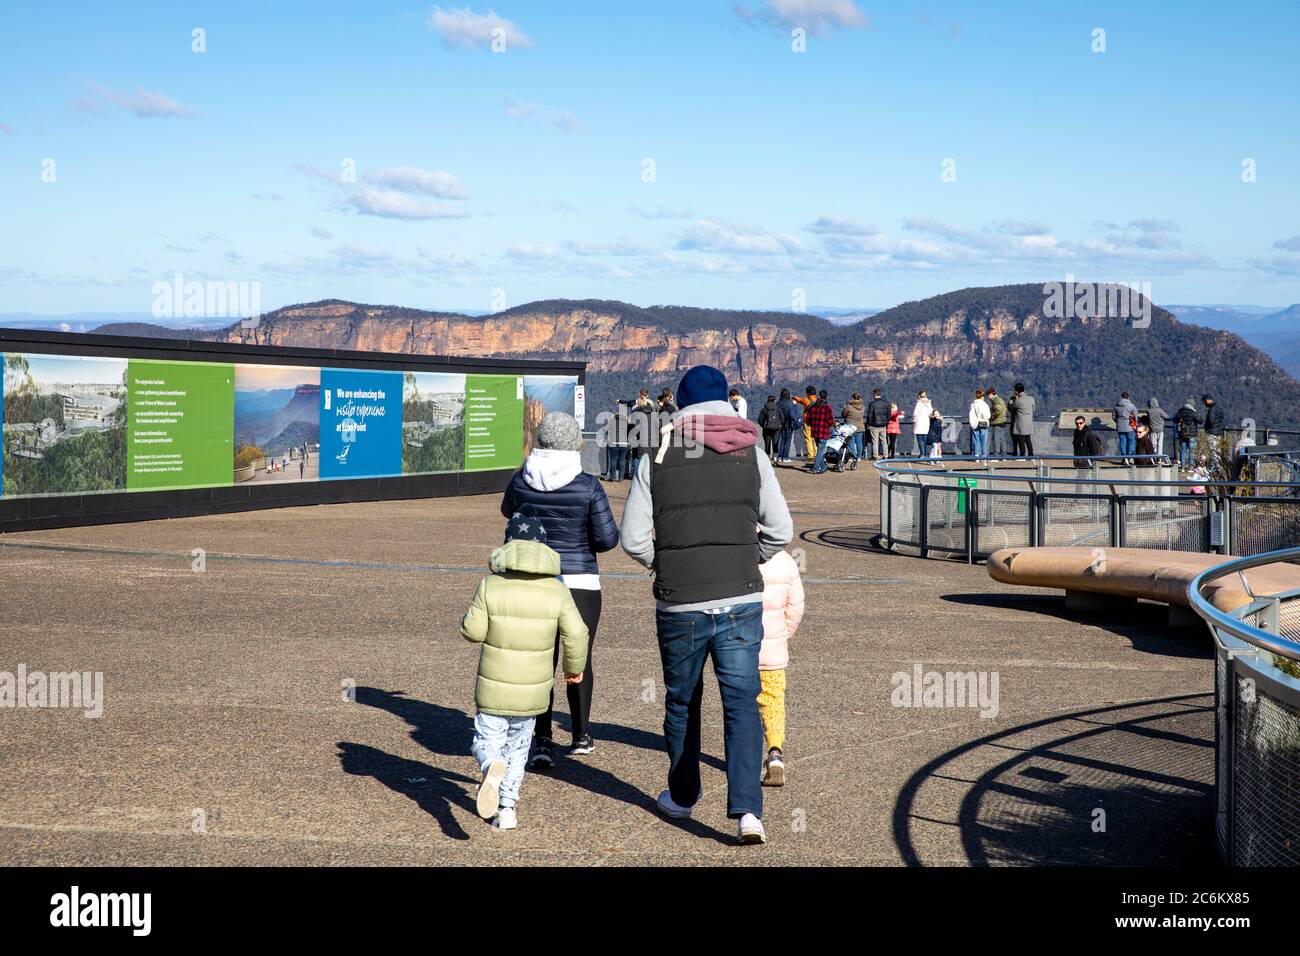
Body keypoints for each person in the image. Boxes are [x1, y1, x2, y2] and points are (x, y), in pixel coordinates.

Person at [619, 364, 794, 846]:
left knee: (681, 701)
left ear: (681, 404)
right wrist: (746, 558)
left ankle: (682, 795)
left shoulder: (656, 455)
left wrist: (666, 562)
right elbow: (781, 532)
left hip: (680, 603)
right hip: (740, 598)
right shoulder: (753, 454)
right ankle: (747, 813)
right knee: (740, 701)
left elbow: (632, 539)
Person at [500, 412, 619, 767]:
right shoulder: (588, 485)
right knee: (578, 656)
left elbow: (508, 511)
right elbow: (607, 539)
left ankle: (542, 740)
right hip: (580, 581)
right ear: (572, 445)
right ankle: (581, 735)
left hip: (533, 578)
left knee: (539, 660)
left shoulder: (521, 479)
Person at [461, 509, 589, 831]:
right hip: (534, 691)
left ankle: (490, 766)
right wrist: (573, 671)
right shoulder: (557, 591)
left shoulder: (490, 585)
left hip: (493, 689)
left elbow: (473, 631)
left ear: (507, 545)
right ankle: (507, 810)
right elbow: (577, 633)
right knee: (519, 748)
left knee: (486, 742)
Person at [757, 547, 804, 788]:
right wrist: (783, 636)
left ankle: (744, 755)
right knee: (773, 701)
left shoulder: (737, 553)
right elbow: (795, 608)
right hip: (773, 649)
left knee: (741, 703)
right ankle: (775, 753)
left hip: (739, 647)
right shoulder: (786, 561)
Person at [806, 390, 836, 474]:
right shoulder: (827, 407)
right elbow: (830, 422)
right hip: (823, 431)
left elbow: (809, 420)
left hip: (815, 432)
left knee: (820, 450)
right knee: (820, 450)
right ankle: (815, 468)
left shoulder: (813, 407)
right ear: (826, 397)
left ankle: (823, 467)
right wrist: (833, 424)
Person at [604, 399, 630, 481]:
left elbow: (606, 430)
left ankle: (612, 478)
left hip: (613, 442)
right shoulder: (626, 421)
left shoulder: (612, 420)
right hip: (624, 443)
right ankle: (621, 478)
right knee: (622, 460)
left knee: (613, 460)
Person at [1009, 383, 1035, 458]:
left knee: (1021, 439)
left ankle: (1022, 455)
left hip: (1020, 422)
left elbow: (1011, 408)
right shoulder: (1031, 399)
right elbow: (1033, 408)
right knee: (1028, 439)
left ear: (1016, 391)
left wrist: (1011, 400)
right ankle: (1031, 454)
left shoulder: (1018, 400)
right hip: (1029, 422)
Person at [865, 388, 890, 460]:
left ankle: (875, 456)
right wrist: (886, 422)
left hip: (874, 425)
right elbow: (889, 415)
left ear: (874, 395)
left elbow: (869, 415)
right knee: (884, 440)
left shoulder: (872, 404)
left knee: (875, 441)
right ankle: (886, 455)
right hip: (883, 425)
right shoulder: (886, 404)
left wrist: (868, 424)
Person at [1113, 392, 1138, 464]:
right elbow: (1136, 417)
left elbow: (1113, 417)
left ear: (1121, 397)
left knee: (1122, 442)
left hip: (1120, 427)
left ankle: (1124, 458)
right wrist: (1135, 424)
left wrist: (1118, 422)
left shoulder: (1116, 406)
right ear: (1128, 397)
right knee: (1131, 442)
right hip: (1130, 426)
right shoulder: (1131, 406)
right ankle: (1130, 458)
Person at [794, 386, 817, 461]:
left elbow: (799, 400)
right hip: (817, 423)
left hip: (808, 422)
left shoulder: (806, 400)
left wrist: (794, 397)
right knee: (815, 439)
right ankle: (816, 455)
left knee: (808, 439)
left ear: (807, 393)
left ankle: (811, 455)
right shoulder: (818, 400)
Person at [841, 392, 866, 463]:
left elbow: (843, 414)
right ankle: (859, 457)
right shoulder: (863, 406)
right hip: (860, 426)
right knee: (859, 442)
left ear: (852, 398)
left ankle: (853, 456)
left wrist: (844, 408)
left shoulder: (849, 406)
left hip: (850, 427)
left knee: (851, 442)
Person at [1175, 399, 1199, 469]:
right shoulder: (1193, 412)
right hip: (1192, 434)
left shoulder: (1180, 411)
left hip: (1183, 433)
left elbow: (1175, 420)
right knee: (1192, 451)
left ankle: (1182, 467)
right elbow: (1200, 420)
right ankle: (1190, 467)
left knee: (1183, 449)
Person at [758, 394, 783, 461]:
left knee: (767, 445)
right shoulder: (778, 409)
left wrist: (764, 426)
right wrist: (779, 425)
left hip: (766, 430)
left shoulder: (764, 409)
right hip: (776, 430)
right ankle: (775, 459)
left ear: (767, 401)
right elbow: (782, 419)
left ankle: (767, 460)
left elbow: (759, 421)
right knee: (775, 444)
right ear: (774, 400)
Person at [968, 388, 991, 459]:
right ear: (982, 397)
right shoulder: (985, 405)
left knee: (976, 441)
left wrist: (972, 424)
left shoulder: (973, 405)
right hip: (984, 424)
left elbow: (971, 415)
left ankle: (976, 457)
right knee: (984, 442)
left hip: (975, 424)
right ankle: (984, 457)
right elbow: (988, 416)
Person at [777, 388, 799, 464]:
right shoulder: (790, 404)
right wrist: (795, 404)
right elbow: (794, 414)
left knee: (782, 441)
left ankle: (780, 457)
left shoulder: (778, 403)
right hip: (789, 424)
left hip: (780, 424)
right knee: (788, 441)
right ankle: (785, 457)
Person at [986, 386, 1008, 458]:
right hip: (1002, 421)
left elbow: (998, 411)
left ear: (991, 394)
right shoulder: (999, 399)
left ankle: (996, 455)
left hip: (997, 422)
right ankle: (1004, 455)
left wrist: (991, 417)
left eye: (988, 395)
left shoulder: (996, 400)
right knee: (1001, 439)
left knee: (996, 439)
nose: (988, 397)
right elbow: (1004, 409)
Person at [912, 390, 933, 457]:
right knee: (925, 439)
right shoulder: (928, 403)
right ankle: (926, 453)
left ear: (919, 396)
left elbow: (915, 412)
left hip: (919, 421)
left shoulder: (919, 403)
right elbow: (931, 412)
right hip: (926, 421)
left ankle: (921, 453)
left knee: (919, 439)